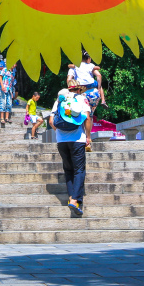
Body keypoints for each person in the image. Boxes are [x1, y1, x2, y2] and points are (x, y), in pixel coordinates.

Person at [49, 78, 92, 215]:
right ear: (79, 89)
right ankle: (74, 200)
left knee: (68, 169)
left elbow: (51, 121)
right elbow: (87, 118)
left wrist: (60, 132)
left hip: (61, 141)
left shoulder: (59, 100)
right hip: (77, 139)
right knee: (79, 169)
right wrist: (88, 137)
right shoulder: (81, 99)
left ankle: (71, 197)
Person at [67, 52, 106, 151]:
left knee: (81, 115)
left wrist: (71, 90)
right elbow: (99, 75)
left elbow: (69, 79)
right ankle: (89, 138)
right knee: (90, 116)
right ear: (88, 58)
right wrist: (99, 87)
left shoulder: (74, 67)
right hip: (94, 94)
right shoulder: (90, 65)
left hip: (81, 93)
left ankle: (83, 138)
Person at [0, 62, 15, 127]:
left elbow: (12, 82)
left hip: (9, 89)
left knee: (9, 103)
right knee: (3, 102)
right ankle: (2, 118)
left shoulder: (13, 72)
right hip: (3, 88)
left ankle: (7, 118)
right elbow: (0, 77)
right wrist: (2, 86)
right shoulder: (5, 69)